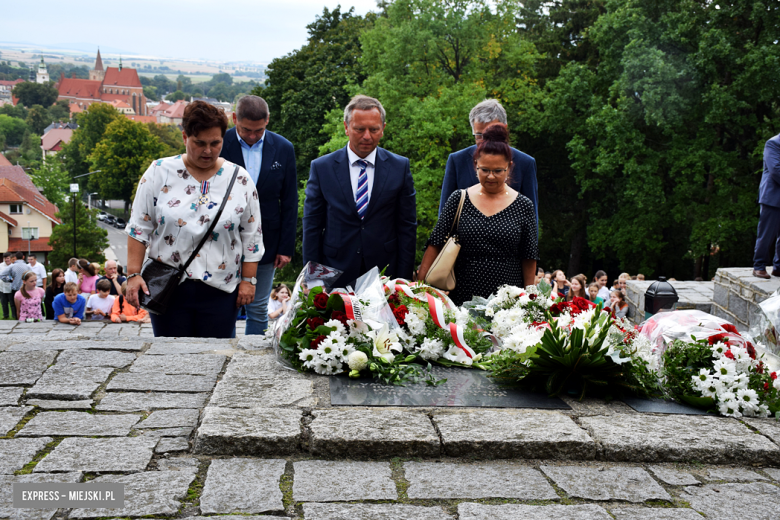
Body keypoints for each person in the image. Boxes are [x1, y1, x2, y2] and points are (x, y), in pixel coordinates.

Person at [125, 100, 263, 338]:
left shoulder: (239, 178)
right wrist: (133, 275)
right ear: (184, 137)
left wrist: (248, 280)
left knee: (216, 362)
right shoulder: (159, 171)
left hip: (222, 290)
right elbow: (139, 228)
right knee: (171, 360)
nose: (208, 151)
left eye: (215, 143)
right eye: (199, 143)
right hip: (168, 288)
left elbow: (252, 235)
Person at [418, 124, 538, 306]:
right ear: (475, 165)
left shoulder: (524, 205)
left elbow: (529, 256)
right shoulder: (459, 199)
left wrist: (530, 301)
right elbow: (435, 243)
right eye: (484, 170)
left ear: (509, 167)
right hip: (461, 295)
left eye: (498, 171)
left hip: (507, 300)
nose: (491, 176)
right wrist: (419, 288)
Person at [303, 95, 417, 287]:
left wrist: (403, 279)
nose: (367, 136)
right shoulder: (322, 168)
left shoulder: (400, 167)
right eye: (359, 129)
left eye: (374, 129)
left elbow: (407, 227)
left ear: (383, 129)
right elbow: (312, 225)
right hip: (334, 270)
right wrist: (313, 279)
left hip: (384, 273)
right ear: (346, 128)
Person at [220, 95, 298, 336]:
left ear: (268, 121)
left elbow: (289, 200)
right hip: (223, 239)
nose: (252, 136)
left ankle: (251, 363)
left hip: (267, 241)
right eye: (246, 130)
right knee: (224, 307)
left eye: (259, 130)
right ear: (234, 119)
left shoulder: (283, 148)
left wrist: (286, 246)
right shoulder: (220, 143)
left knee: (257, 307)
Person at [438, 99, 538, 225]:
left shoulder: (525, 163)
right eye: (479, 135)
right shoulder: (457, 161)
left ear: (505, 129)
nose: (486, 141)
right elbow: (444, 216)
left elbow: (531, 221)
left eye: (492, 135)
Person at [754, 133, 780, 278]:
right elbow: (776, 170)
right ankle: (759, 265)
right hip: (773, 197)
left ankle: (778, 267)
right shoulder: (773, 143)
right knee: (766, 234)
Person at [0, 253, 14, 319]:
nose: (7, 260)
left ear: (11, 258)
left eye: (8, 258)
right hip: (2, 287)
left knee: (12, 303)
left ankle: (14, 315)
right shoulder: (1, 265)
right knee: (4, 303)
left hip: (11, 287)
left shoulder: (13, 265)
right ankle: (5, 315)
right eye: (5, 258)